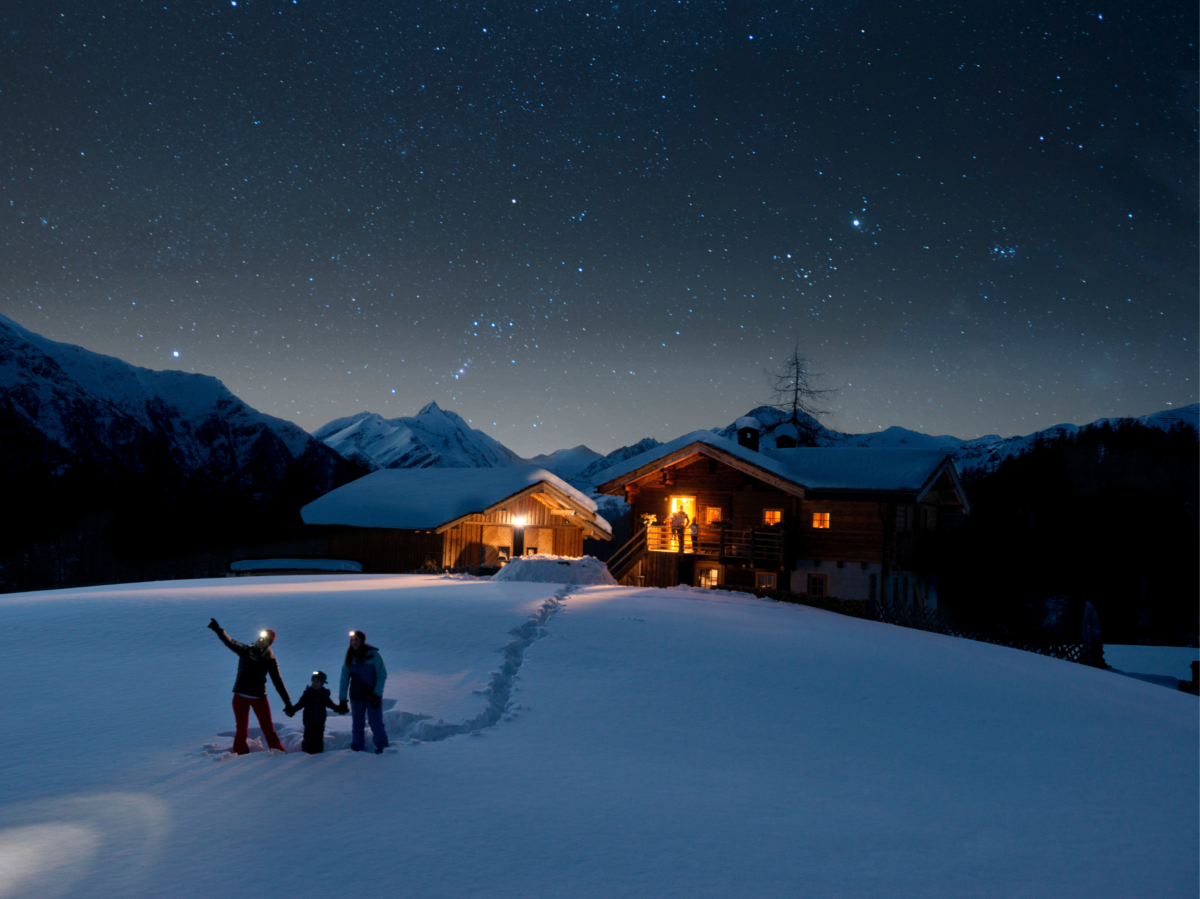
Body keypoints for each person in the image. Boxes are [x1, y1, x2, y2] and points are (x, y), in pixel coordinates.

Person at [207, 619, 293, 755]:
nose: (260, 640)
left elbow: (278, 682)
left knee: (268, 729)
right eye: (260, 637)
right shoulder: (246, 651)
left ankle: (278, 752)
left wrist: (287, 702)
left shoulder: (270, 660)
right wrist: (219, 631)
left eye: (264, 639)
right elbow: (230, 642)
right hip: (240, 696)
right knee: (241, 729)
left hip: (259, 697)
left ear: (268, 644)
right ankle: (240, 753)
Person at [339, 630, 388, 754]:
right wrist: (342, 700)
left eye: (356, 639)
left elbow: (382, 675)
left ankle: (382, 748)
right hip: (356, 697)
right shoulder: (349, 657)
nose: (354, 642)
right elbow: (344, 679)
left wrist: (377, 694)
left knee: (375, 723)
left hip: (372, 697)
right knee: (357, 724)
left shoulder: (373, 655)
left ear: (362, 641)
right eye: (352, 640)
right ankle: (357, 748)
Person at [287, 670, 342, 754]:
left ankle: (318, 757)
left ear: (322, 683)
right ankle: (305, 755)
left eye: (317, 681)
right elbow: (300, 704)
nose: (314, 683)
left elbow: (331, 704)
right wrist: (292, 710)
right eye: (313, 681)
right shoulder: (307, 694)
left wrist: (338, 708)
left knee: (318, 740)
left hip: (320, 722)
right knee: (307, 740)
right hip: (309, 722)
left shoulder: (324, 695)